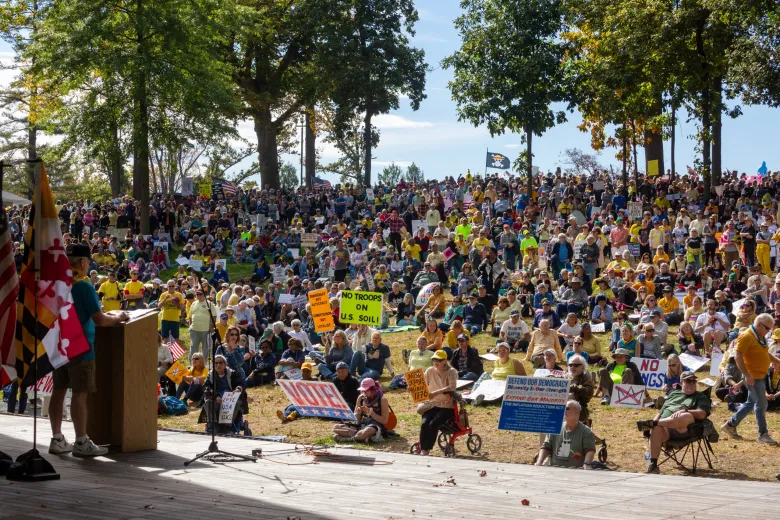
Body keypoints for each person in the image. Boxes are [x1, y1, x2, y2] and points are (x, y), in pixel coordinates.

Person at [49, 243, 130, 457]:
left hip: (59, 346)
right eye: (88, 263)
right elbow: (101, 319)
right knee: (79, 394)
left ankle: (57, 439)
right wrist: (120, 316)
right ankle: (81, 442)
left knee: (58, 392)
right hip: (81, 348)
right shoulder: (84, 286)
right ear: (83, 262)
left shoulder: (59, 285)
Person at [720, 314, 780, 445]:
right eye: (767, 328)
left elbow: (765, 353)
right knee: (761, 404)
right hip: (753, 377)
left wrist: (777, 361)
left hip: (759, 376)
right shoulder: (746, 336)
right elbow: (738, 357)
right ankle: (762, 435)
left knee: (751, 403)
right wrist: (747, 376)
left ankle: (730, 425)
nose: (769, 331)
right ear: (759, 325)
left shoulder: (759, 336)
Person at [638, 371, 712, 474]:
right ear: (681, 383)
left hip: (684, 430)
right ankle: (653, 465)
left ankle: (654, 424)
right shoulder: (673, 394)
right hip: (666, 431)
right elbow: (660, 413)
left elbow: (702, 414)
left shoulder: (700, 396)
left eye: (693, 381)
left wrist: (685, 410)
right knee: (656, 428)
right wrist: (654, 421)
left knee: (686, 416)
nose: (691, 383)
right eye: (688, 381)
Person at [417, 350, 458, 456]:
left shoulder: (451, 371)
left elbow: (452, 387)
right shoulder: (430, 371)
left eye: (439, 360)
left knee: (433, 424)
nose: (436, 362)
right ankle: (424, 449)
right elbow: (421, 385)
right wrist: (413, 389)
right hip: (432, 404)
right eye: (434, 359)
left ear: (445, 361)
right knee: (425, 423)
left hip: (446, 406)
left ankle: (427, 448)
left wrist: (435, 392)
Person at [536, 400, 596, 469]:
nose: (564, 411)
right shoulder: (555, 428)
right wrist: (539, 462)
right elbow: (546, 447)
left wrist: (587, 464)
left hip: (575, 472)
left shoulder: (586, 432)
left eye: (567, 408)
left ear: (576, 410)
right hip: (554, 470)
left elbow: (590, 451)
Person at [333, 378, 392, 442]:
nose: (364, 393)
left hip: (374, 426)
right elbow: (355, 418)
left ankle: (347, 439)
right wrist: (358, 413)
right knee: (336, 427)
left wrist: (372, 413)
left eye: (366, 391)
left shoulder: (382, 400)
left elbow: (384, 421)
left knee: (368, 431)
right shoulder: (361, 398)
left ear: (372, 390)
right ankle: (359, 436)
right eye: (363, 391)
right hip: (361, 425)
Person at [567, 356, 594, 422]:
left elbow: (589, 392)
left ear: (583, 367)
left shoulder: (585, 377)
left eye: (576, 365)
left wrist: (574, 388)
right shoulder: (565, 376)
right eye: (570, 365)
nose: (572, 367)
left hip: (578, 407)